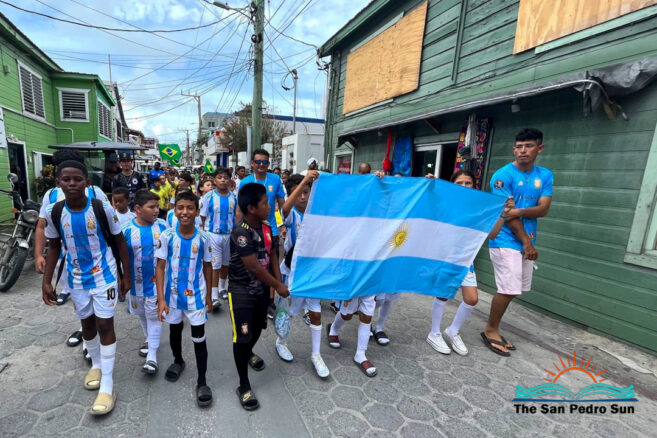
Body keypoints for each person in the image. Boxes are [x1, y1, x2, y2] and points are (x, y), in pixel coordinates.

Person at [42, 159, 131, 416]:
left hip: (105, 276)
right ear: (58, 183)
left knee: (105, 325)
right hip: (77, 279)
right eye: (66, 179)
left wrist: (125, 276)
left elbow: (119, 241)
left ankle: (107, 385)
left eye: (77, 179)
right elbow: (54, 246)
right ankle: (96, 365)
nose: (72, 184)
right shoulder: (54, 212)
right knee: (87, 325)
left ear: (87, 182)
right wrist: (47, 280)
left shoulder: (102, 208)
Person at [424, 170, 513, 355]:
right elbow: (428, 207)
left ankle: (453, 331)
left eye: (468, 183)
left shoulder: (479, 208)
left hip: (465, 259)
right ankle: (434, 333)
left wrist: (503, 214)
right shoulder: (446, 202)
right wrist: (431, 186)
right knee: (442, 294)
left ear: (474, 186)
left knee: (472, 299)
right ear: (453, 185)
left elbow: (493, 234)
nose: (464, 186)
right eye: (460, 183)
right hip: (446, 258)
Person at [483, 128, 553, 356]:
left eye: (529, 146)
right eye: (519, 147)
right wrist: (526, 243)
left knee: (515, 289)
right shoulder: (502, 176)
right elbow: (507, 216)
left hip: (527, 239)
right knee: (508, 288)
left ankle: (494, 326)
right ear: (514, 149)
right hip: (504, 238)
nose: (523, 151)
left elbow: (543, 209)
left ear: (539, 148)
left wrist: (519, 211)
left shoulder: (545, 175)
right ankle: (490, 329)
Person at [229, 183, 288, 410]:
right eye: (265, 203)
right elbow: (253, 266)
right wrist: (278, 285)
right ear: (251, 208)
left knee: (258, 329)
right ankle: (243, 385)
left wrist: (278, 283)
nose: (270, 206)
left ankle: (248, 353)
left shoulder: (266, 226)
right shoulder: (240, 233)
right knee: (242, 336)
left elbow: (273, 255)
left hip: (262, 290)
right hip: (242, 292)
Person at [156, 190, 213, 407]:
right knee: (175, 329)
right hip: (172, 296)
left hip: (196, 297)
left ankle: (202, 381)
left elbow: (208, 267)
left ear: (197, 212)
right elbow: (160, 267)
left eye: (190, 208)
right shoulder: (167, 236)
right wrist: (161, 299)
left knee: (199, 336)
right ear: (174, 210)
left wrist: (209, 296)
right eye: (180, 207)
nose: (185, 212)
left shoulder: (204, 238)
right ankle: (178, 361)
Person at [273, 172, 330, 378]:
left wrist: (375, 180)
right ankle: (281, 342)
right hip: (293, 271)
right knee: (289, 311)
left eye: (306, 192)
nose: (303, 197)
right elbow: (284, 209)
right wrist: (305, 180)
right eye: (298, 194)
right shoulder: (291, 215)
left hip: (313, 271)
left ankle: (316, 354)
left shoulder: (319, 213)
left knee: (315, 312)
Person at [123, 189, 168, 373]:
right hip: (136, 283)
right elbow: (121, 257)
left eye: (157, 206)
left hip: (157, 283)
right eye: (151, 207)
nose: (156, 210)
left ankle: (152, 357)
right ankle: (149, 339)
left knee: (154, 316)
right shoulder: (126, 230)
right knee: (141, 313)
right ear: (138, 209)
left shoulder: (163, 226)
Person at [200, 168, 237, 310]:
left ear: (229, 180)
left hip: (229, 235)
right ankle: (213, 295)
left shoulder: (234, 197)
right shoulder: (208, 197)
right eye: (220, 177)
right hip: (213, 235)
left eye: (226, 177)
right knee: (215, 265)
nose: (223, 180)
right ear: (214, 180)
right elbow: (202, 217)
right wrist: (204, 235)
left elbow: (236, 215)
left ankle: (222, 288)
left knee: (225, 263)